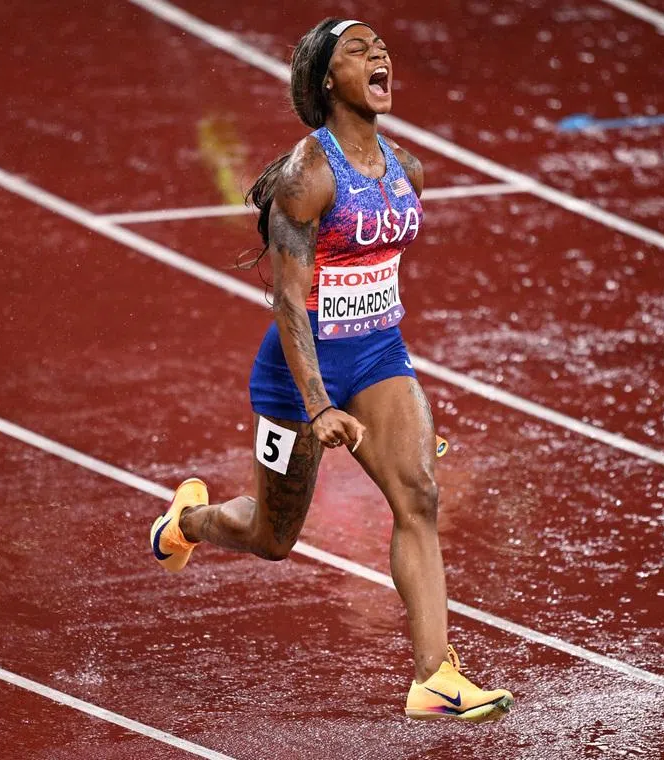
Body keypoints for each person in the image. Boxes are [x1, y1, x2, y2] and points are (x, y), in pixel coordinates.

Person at [150, 17, 513, 722]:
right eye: (358, 49)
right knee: (272, 538)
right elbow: (289, 306)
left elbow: (377, 266)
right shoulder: (307, 176)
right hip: (297, 371)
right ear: (326, 80)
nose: (380, 54)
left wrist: (396, 418)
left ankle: (434, 677)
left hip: (379, 353)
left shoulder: (402, 166)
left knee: (420, 496)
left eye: (381, 46)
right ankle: (186, 524)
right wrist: (317, 407)